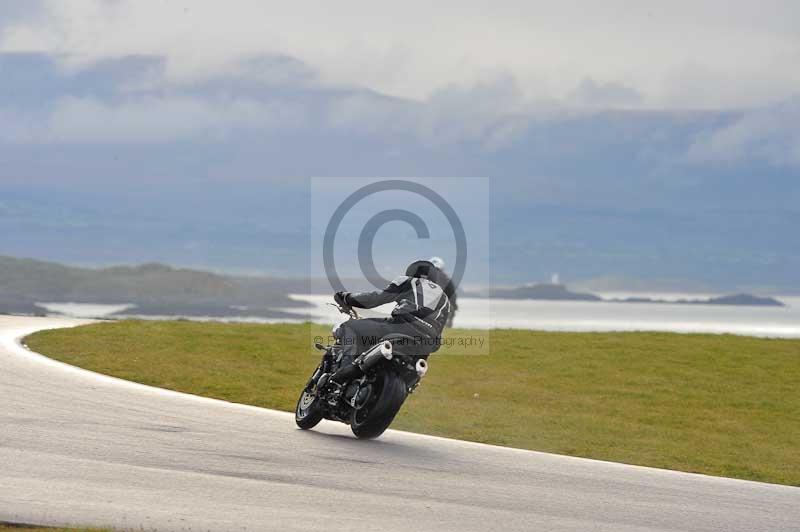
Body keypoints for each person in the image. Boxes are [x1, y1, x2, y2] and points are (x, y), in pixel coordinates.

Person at [327, 259, 451, 389]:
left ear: (412, 271)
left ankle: (342, 375)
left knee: (349, 327)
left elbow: (375, 298)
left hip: (399, 327)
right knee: (412, 381)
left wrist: (347, 297)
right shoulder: (445, 300)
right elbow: (438, 338)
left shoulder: (409, 281)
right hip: (424, 346)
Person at [428, 256, 458, 328]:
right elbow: (452, 295)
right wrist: (454, 306)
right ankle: (447, 327)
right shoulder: (446, 278)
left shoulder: (423, 276)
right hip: (442, 306)